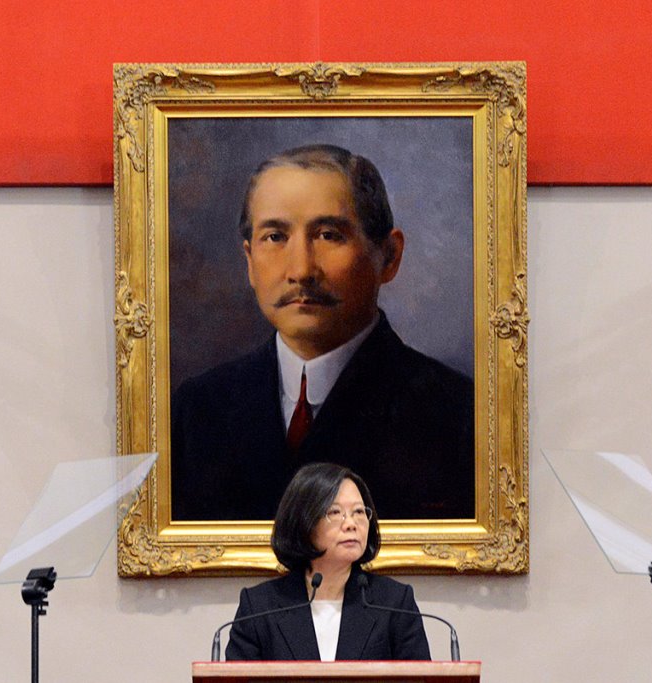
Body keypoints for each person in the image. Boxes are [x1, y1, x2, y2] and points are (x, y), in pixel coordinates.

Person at [171, 144, 475, 521]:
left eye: (329, 235)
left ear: (389, 256)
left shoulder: (456, 414)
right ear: (249, 261)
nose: (301, 270)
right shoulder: (197, 410)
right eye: (275, 237)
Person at [226, 463, 431, 661]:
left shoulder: (395, 603)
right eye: (335, 512)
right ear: (303, 521)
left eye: (359, 512)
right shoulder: (259, 608)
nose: (351, 524)